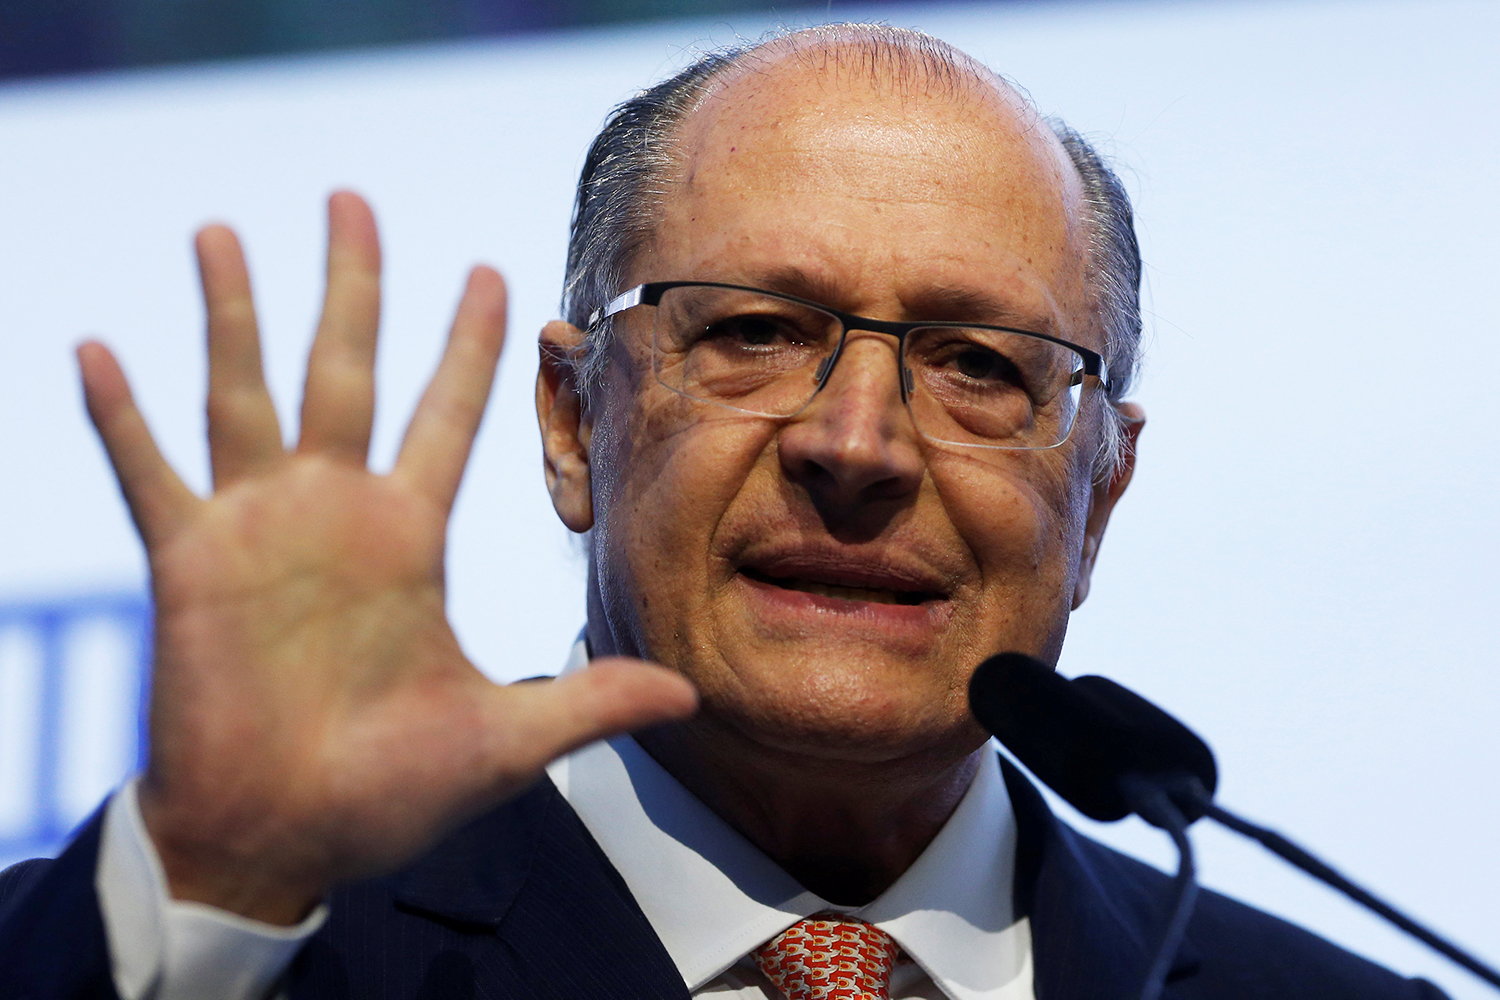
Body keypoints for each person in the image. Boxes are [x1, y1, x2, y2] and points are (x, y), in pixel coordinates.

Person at [0, 23, 1449, 1000]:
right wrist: (223, 878)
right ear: (575, 424)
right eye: (754, 330)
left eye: (977, 364)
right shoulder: (245, 948)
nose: (857, 444)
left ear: (1101, 492)